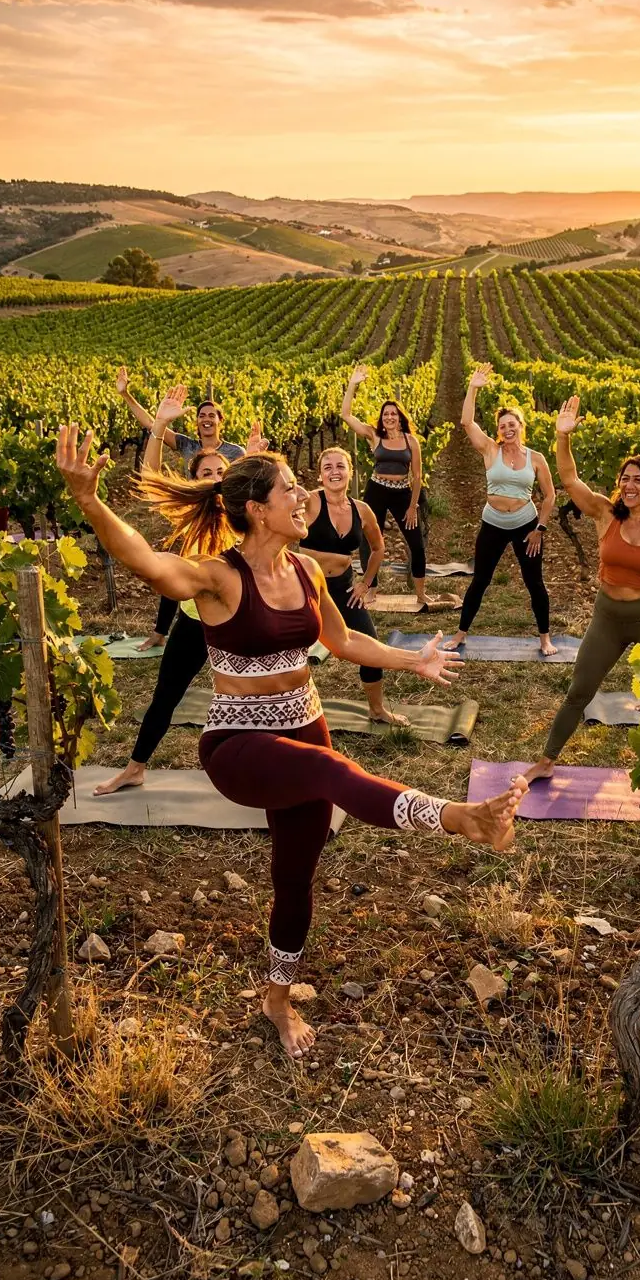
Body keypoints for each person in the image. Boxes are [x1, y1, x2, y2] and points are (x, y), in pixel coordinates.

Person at [56, 425, 528, 1060]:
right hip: (239, 743)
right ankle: (460, 819)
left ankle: (276, 1000)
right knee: (333, 772)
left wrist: (410, 660)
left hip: (305, 720)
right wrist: (89, 500)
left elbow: (343, 642)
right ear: (259, 510)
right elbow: (148, 560)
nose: (304, 496)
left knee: (295, 876)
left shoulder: (305, 569)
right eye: (291, 490)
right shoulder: (220, 578)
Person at [525, 397, 640, 805]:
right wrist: (561, 436)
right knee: (580, 688)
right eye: (625, 478)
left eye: (639, 480)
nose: (630, 485)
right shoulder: (605, 513)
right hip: (607, 614)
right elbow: (568, 479)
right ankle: (547, 759)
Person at [93, 385, 230, 797]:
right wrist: (159, 427)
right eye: (206, 473)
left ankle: (265, 769)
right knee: (165, 696)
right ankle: (135, 767)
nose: (214, 478)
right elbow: (151, 480)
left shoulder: (244, 511)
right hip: (194, 621)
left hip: (235, 620)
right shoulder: (188, 514)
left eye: (221, 472)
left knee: (250, 696)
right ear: (193, 481)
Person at [114, 368, 262, 651]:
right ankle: (164, 630)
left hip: (231, 590)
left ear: (221, 422)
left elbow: (257, 481)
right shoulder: (187, 446)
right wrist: (129, 397)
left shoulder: (237, 459)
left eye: (221, 472)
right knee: (180, 568)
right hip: (194, 518)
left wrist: (255, 455)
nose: (215, 477)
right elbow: (152, 455)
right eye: (201, 415)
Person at [445, 365, 557, 655]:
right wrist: (473, 387)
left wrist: (539, 529)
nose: (508, 429)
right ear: (498, 431)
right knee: (480, 580)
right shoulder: (490, 451)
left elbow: (549, 496)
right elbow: (467, 422)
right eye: (503, 425)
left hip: (525, 524)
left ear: (521, 427)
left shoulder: (537, 458)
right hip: (493, 523)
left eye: (513, 424)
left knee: (534, 582)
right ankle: (460, 634)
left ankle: (545, 638)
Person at [303, 446, 407, 726]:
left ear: (350, 472)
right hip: (305, 587)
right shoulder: (309, 503)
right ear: (321, 475)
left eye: (340, 466)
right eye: (328, 467)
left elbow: (377, 548)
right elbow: (284, 538)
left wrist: (365, 582)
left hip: (343, 589)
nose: (334, 472)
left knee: (371, 647)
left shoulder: (362, 511)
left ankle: (376, 710)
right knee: (289, 648)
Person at [341, 366, 435, 609]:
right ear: (381, 418)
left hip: (403, 494)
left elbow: (417, 475)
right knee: (370, 541)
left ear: (400, 416)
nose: (389, 417)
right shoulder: (374, 436)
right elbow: (346, 415)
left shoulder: (410, 441)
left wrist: (413, 506)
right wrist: (353, 384)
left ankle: (421, 593)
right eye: (385, 415)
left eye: (393, 414)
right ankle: (371, 588)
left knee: (416, 543)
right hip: (376, 491)